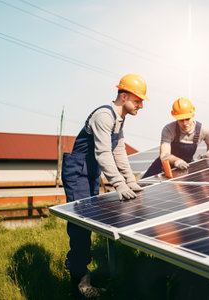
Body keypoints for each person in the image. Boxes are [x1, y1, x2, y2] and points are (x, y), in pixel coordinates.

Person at [61, 73, 148, 298]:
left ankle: (83, 276)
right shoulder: (104, 115)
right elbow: (102, 152)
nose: (141, 105)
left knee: (89, 223)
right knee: (81, 226)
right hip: (78, 171)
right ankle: (80, 286)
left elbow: (118, 150)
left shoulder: (120, 119)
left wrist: (131, 181)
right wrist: (119, 184)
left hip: (91, 172)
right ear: (124, 95)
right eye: (138, 100)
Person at [142, 97, 209, 178]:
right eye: (181, 120)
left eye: (187, 119)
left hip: (186, 166)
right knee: (144, 185)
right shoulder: (169, 129)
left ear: (193, 114)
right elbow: (164, 155)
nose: (185, 123)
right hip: (164, 166)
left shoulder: (203, 130)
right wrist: (176, 161)